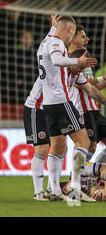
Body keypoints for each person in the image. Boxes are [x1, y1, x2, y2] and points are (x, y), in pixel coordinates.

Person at [37, 15, 97, 201]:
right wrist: (77, 62)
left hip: (48, 103)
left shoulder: (44, 42)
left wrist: (53, 26)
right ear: (70, 31)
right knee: (84, 142)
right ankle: (74, 187)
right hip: (61, 101)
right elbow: (56, 59)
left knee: (58, 147)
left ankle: (54, 190)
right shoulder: (56, 43)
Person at [68, 25, 106, 163]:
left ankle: (91, 174)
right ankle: (76, 178)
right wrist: (103, 78)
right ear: (72, 39)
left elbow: (90, 86)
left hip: (94, 109)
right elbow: (81, 83)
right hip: (81, 109)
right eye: (83, 36)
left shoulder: (84, 57)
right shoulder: (68, 59)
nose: (87, 39)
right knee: (89, 145)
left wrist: (103, 84)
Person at [23, 14, 58, 201]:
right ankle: (38, 192)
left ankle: (53, 189)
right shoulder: (54, 54)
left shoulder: (56, 51)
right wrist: (53, 29)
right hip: (36, 107)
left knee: (57, 149)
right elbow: (45, 44)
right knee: (42, 149)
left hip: (51, 108)